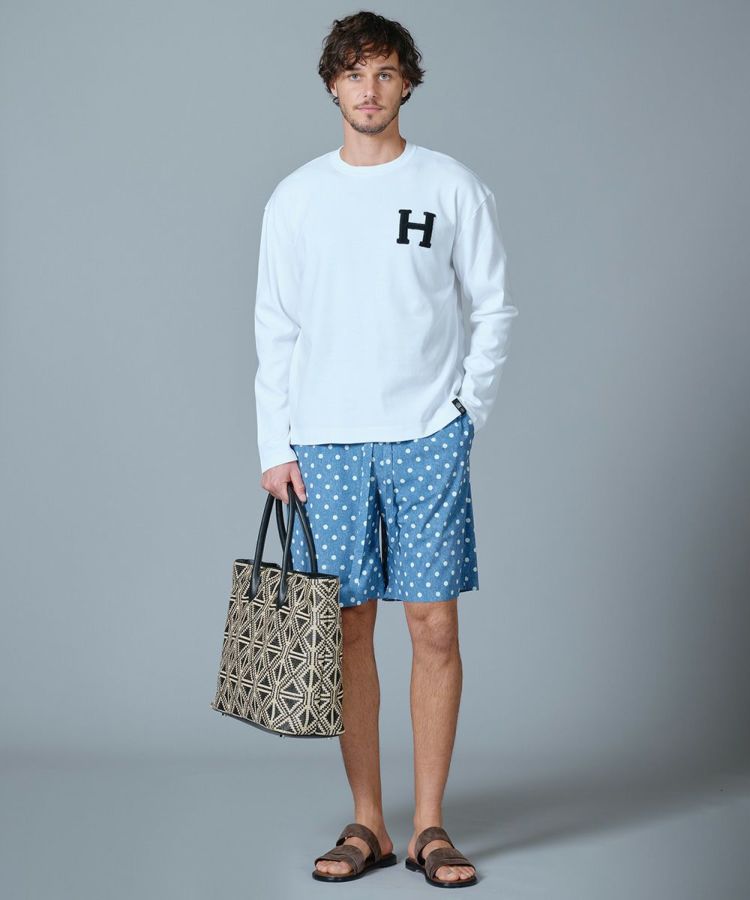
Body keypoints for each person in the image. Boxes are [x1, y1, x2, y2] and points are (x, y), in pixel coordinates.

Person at [253, 10, 518, 888]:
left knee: (434, 626)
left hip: (426, 436)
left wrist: (465, 413)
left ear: (407, 83)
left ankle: (430, 825)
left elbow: (493, 305)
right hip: (324, 442)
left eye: (385, 73)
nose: (369, 89)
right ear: (332, 84)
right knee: (346, 627)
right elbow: (275, 327)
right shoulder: (297, 197)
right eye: (354, 73)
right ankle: (367, 821)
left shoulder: (450, 186)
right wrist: (275, 443)